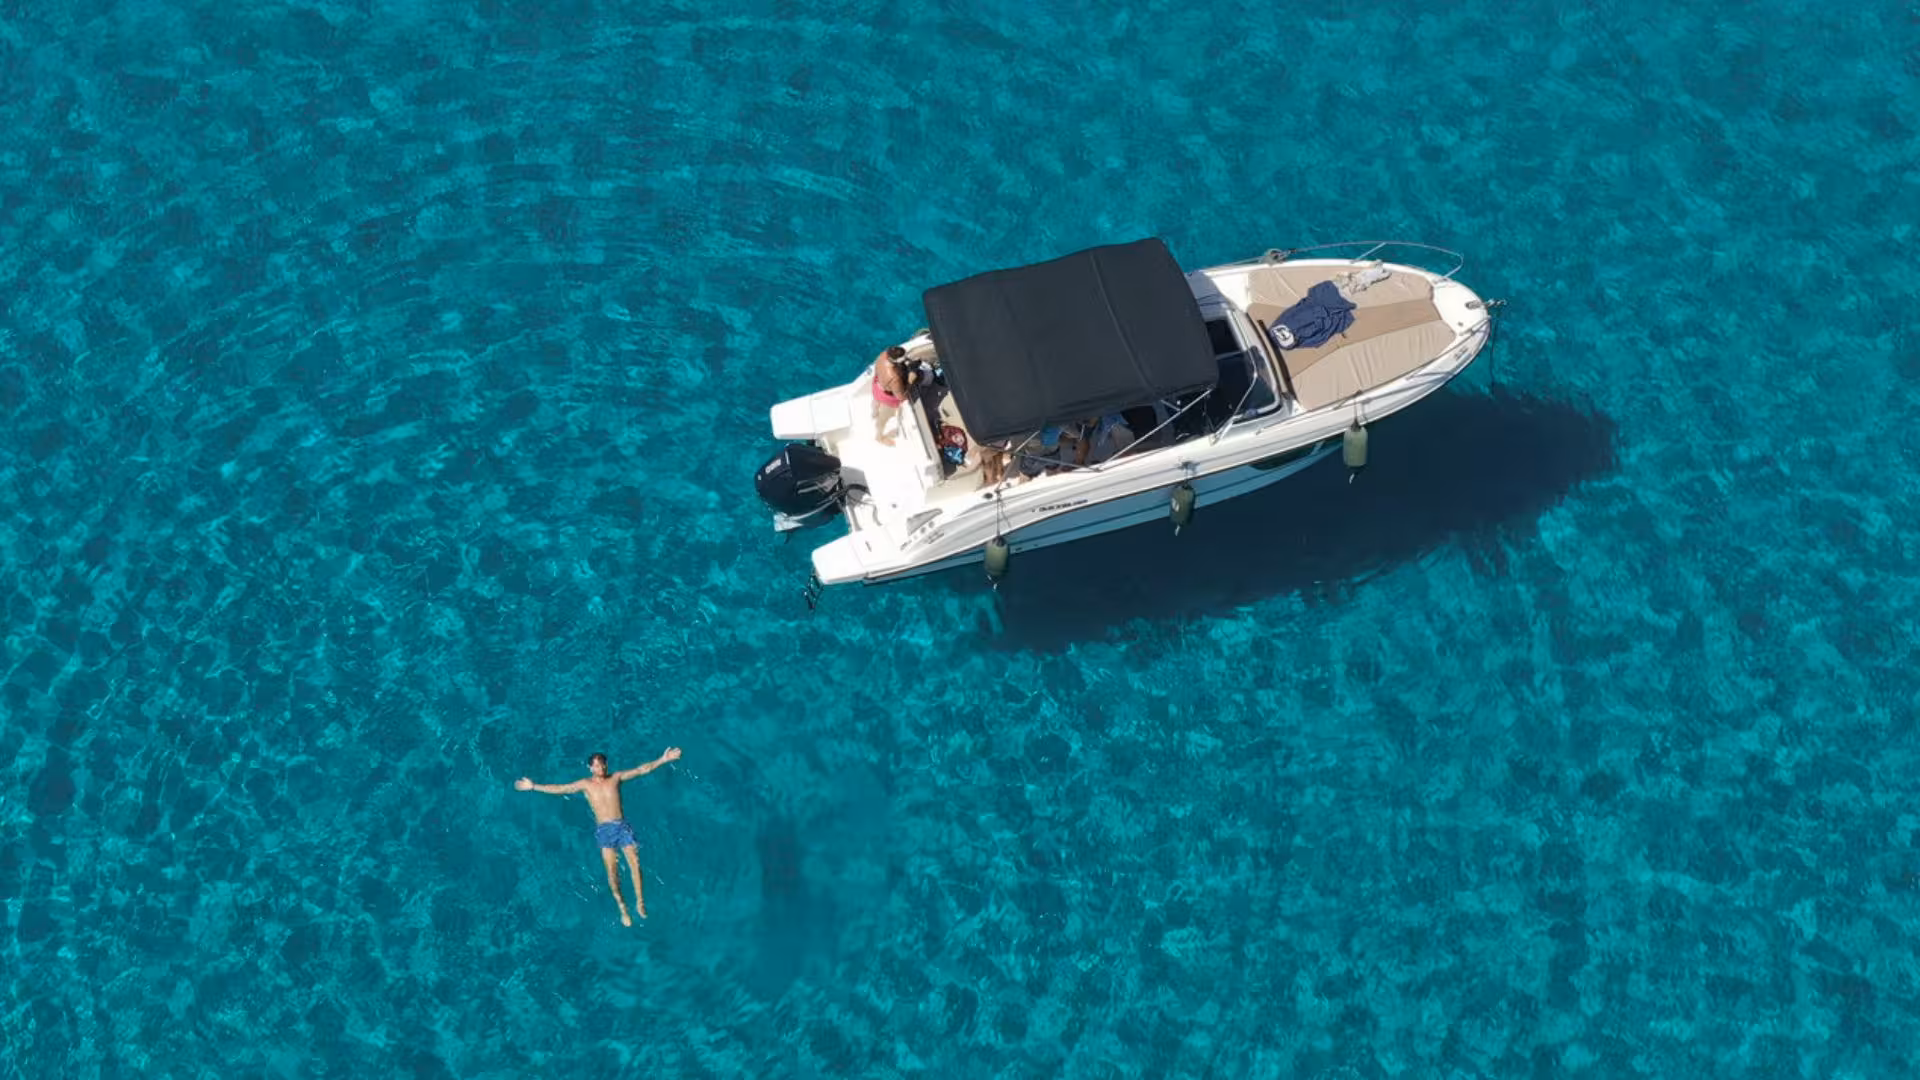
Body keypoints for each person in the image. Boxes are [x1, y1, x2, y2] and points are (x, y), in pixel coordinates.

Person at [516, 747, 682, 925]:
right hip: (604, 831)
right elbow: (561, 788)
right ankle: (622, 908)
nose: (600, 769)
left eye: (602, 765)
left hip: (622, 826)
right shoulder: (585, 784)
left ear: (606, 765)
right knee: (612, 873)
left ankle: (640, 902)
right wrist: (534, 786)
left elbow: (641, 770)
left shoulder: (616, 778)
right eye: (596, 766)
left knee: (635, 864)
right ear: (590, 768)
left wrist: (663, 759)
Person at [872, 345, 917, 445]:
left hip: (876, 386)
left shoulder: (883, 355)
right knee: (883, 419)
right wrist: (910, 381)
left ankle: (874, 412)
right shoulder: (895, 378)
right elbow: (901, 397)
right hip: (887, 398)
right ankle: (879, 437)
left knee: (876, 404)